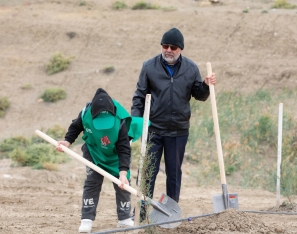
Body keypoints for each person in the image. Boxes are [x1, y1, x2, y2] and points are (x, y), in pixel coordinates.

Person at [131, 28, 217, 205]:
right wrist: (137, 123)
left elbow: (199, 95)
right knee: (147, 171)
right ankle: (142, 210)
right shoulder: (149, 67)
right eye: (165, 45)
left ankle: (171, 212)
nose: (168, 50)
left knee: (174, 173)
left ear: (180, 49)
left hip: (178, 131)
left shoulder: (191, 69)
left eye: (173, 47)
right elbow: (139, 97)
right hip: (153, 130)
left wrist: (206, 85)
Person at [56, 88, 142, 233]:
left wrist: (122, 174)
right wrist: (67, 141)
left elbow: (124, 150)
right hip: (94, 152)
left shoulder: (121, 120)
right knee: (92, 183)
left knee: (122, 185)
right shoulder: (85, 113)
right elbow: (75, 127)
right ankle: (86, 220)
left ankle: (125, 219)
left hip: (115, 156)